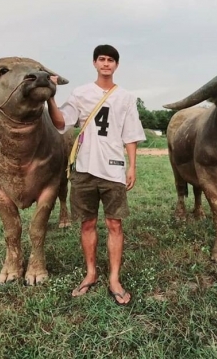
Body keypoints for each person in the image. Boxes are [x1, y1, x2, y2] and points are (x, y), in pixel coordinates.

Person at [48, 44, 146, 306]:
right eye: (101, 59)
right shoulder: (80, 94)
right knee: (87, 223)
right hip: (85, 169)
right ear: (94, 63)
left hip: (113, 169)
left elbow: (131, 135)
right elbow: (61, 122)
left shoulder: (126, 97)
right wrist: (50, 96)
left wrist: (132, 166)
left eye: (111, 60)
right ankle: (90, 273)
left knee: (115, 224)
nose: (106, 64)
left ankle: (114, 278)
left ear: (116, 65)